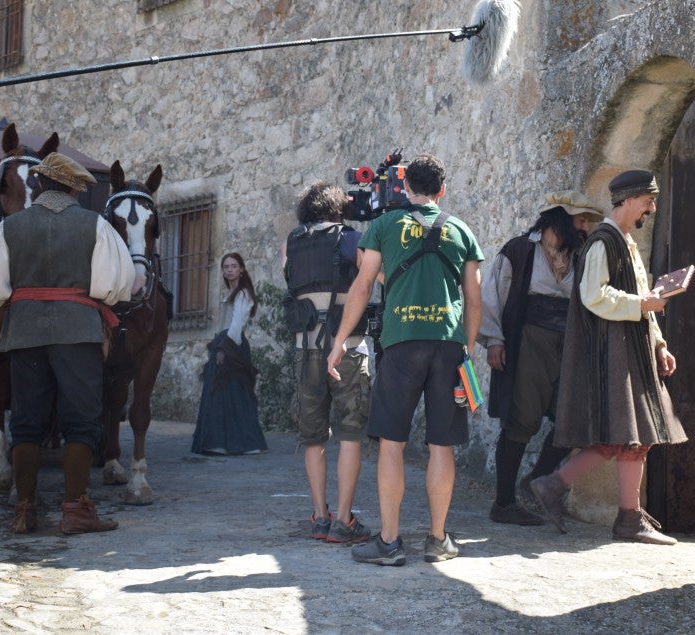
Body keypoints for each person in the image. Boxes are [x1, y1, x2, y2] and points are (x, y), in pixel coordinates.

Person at [0, 152, 137, 534]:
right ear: (75, 189)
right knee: (81, 421)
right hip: (78, 333)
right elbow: (119, 285)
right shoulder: (95, 226)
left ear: (40, 185)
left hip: (24, 334)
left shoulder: (10, 228)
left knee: (25, 423)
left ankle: (24, 511)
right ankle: (75, 511)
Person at [327, 153, 483, 566]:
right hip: (448, 345)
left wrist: (341, 339)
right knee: (441, 445)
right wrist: (466, 353)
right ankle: (437, 539)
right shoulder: (462, 230)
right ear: (442, 190)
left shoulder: (383, 226)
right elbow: (475, 302)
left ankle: (390, 542)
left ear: (405, 189)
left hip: (400, 344)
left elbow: (362, 287)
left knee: (392, 443)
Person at [531, 169, 687, 545]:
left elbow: (640, 298)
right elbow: (594, 295)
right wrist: (642, 303)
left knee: (630, 438)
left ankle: (557, 488)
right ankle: (625, 518)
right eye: (648, 201)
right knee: (630, 438)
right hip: (613, 354)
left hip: (632, 348)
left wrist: (660, 343)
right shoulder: (603, 242)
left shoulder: (627, 242)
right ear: (630, 199)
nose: (651, 208)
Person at [478, 190, 604, 526]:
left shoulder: (580, 255)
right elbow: (492, 297)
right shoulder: (519, 251)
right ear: (560, 217)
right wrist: (494, 340)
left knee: (575, 420)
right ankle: (503, 503)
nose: (585, 225)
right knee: (521, 420)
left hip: (570, 345)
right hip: (529, 342)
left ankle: (537, 479)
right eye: (580, 218)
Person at [281, 182, 371, 545]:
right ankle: (345, 520)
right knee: (350, 434)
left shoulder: (292, 241)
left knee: (313, 436)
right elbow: (373, 277)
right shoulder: (348, 238)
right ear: (338, 207)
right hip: (345, 347)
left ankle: (320, 516)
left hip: (306, 349)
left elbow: (289, 277)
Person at [191, 253, 269, 456]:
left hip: (232, 344)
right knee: (221, 394)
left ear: (241, 269)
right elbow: (223, 324)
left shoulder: (243, 293)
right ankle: (219, 443)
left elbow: (236, 324)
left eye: (234, 266)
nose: (229, 270)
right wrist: (216, 344)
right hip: (223, 341)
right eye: (226, 266)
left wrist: (224, 349)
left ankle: (246, 443)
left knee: (235, 393)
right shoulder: (230, 293)